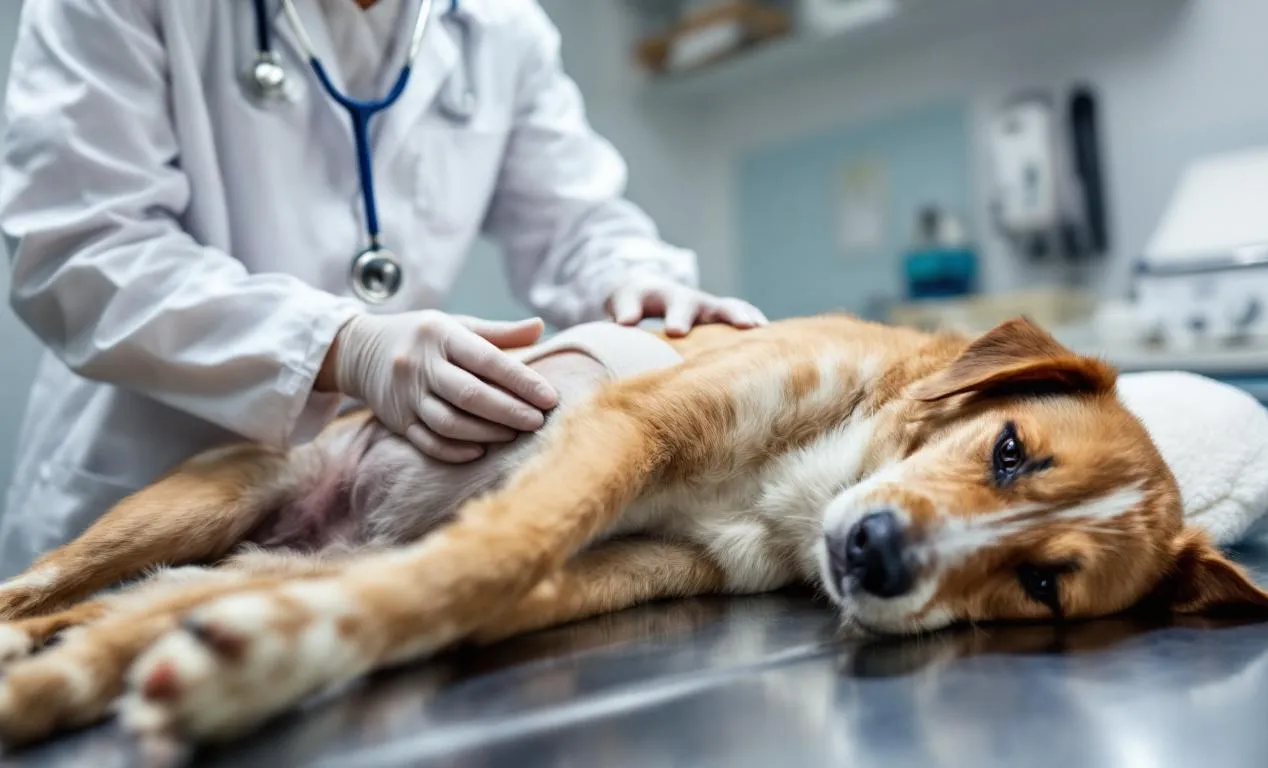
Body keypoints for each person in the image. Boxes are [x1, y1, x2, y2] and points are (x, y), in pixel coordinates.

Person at [0, 0, 766, 576]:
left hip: (340, 523)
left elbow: (575, 219)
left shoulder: (498, 28)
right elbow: (78, 245)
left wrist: (635, 281)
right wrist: (340, 345)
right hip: (131, 500)